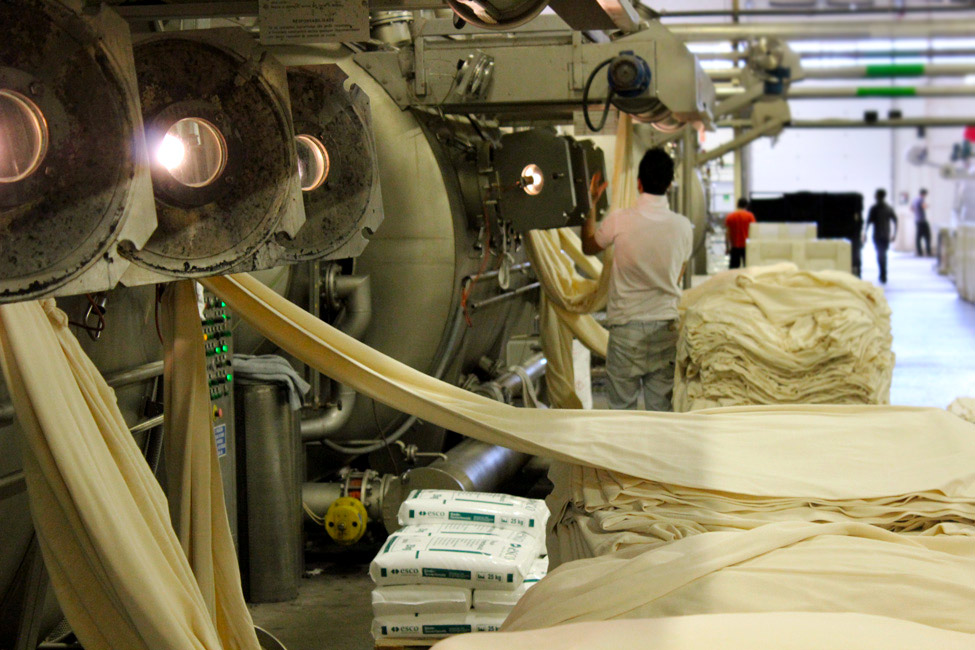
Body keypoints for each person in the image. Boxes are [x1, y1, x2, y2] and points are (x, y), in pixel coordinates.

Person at [581, 148, 693, 411]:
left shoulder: (619, 221)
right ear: (669, 184)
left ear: (639, 183)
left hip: (626, 331)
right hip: (665, 329)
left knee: (623, 417)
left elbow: (588, 246)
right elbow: (678, 275)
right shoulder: (683, 227)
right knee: (662, 415)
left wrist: (592, 203)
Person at [864, 188, 898, 284]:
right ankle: (883, 273)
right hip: (885, 235)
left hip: (877, 235)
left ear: (878, 196)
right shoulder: (888, 208)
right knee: (883, 255)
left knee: (880, 254)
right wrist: (894, 234)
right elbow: (895, 221)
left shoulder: (874, 208)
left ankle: (882, 273)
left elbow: (868, 222)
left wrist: (865, 234)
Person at [724, 198, 756, 269]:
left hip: (735, 246)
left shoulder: (730, 216)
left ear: (737, 205)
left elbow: (727, 234)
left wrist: (727, 247)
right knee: (748, 268)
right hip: (747, 246)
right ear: (746, 206)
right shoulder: (750, 216)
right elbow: (754, 232)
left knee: (733, 269)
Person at [911, 188, 932, 256]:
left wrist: (917, 212)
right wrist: (927, 206)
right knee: (927, 236)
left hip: (917, 220)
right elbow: (924, 206)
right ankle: (928, 251)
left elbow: (911, 208)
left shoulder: (915, 199)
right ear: (924, 194)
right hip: (922, 221)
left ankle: (919, 252)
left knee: (918, 237)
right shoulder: (921, 199)